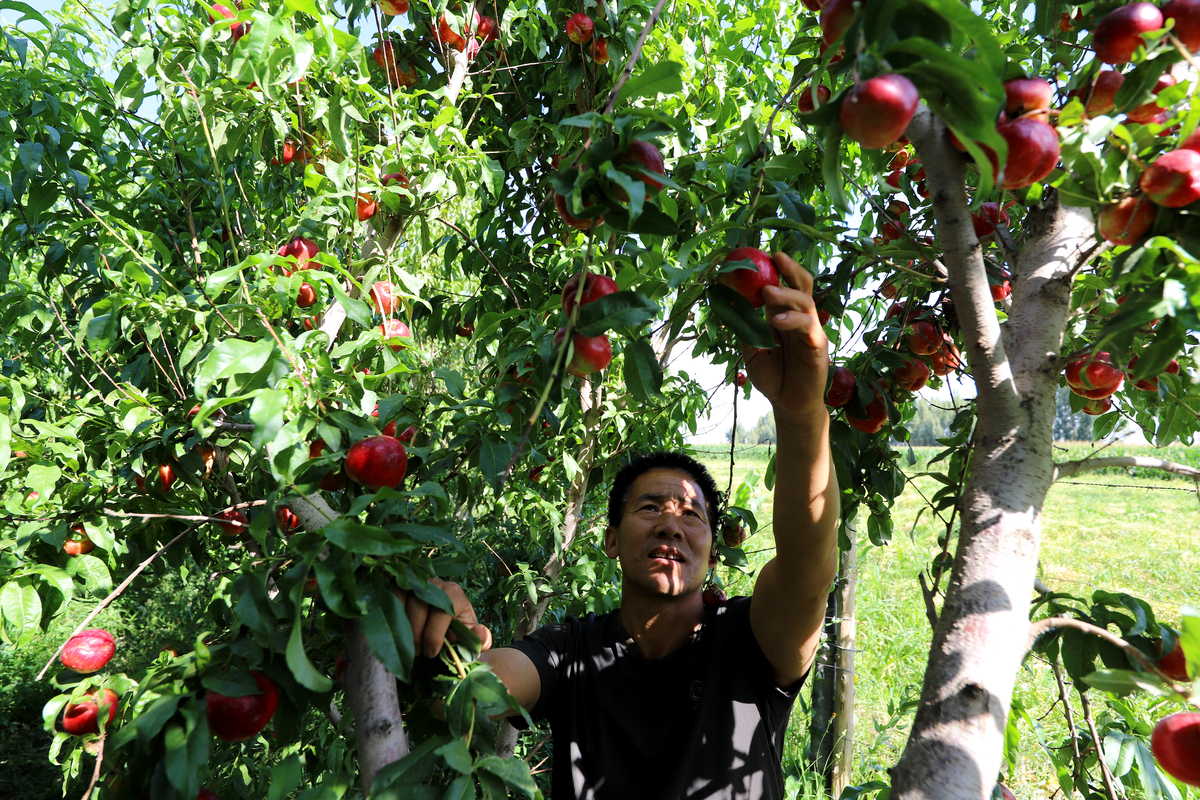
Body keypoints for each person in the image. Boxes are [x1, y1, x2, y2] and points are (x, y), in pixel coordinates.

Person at [397, 252, 839, 799]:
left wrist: (802, 414)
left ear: (713, 554)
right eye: (650, 508)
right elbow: (476, 691)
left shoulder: (751, 642)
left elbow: (807, 568)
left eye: (692, 515)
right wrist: (444, 644)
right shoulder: (570, 651)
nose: (671, 524)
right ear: (610, 539)